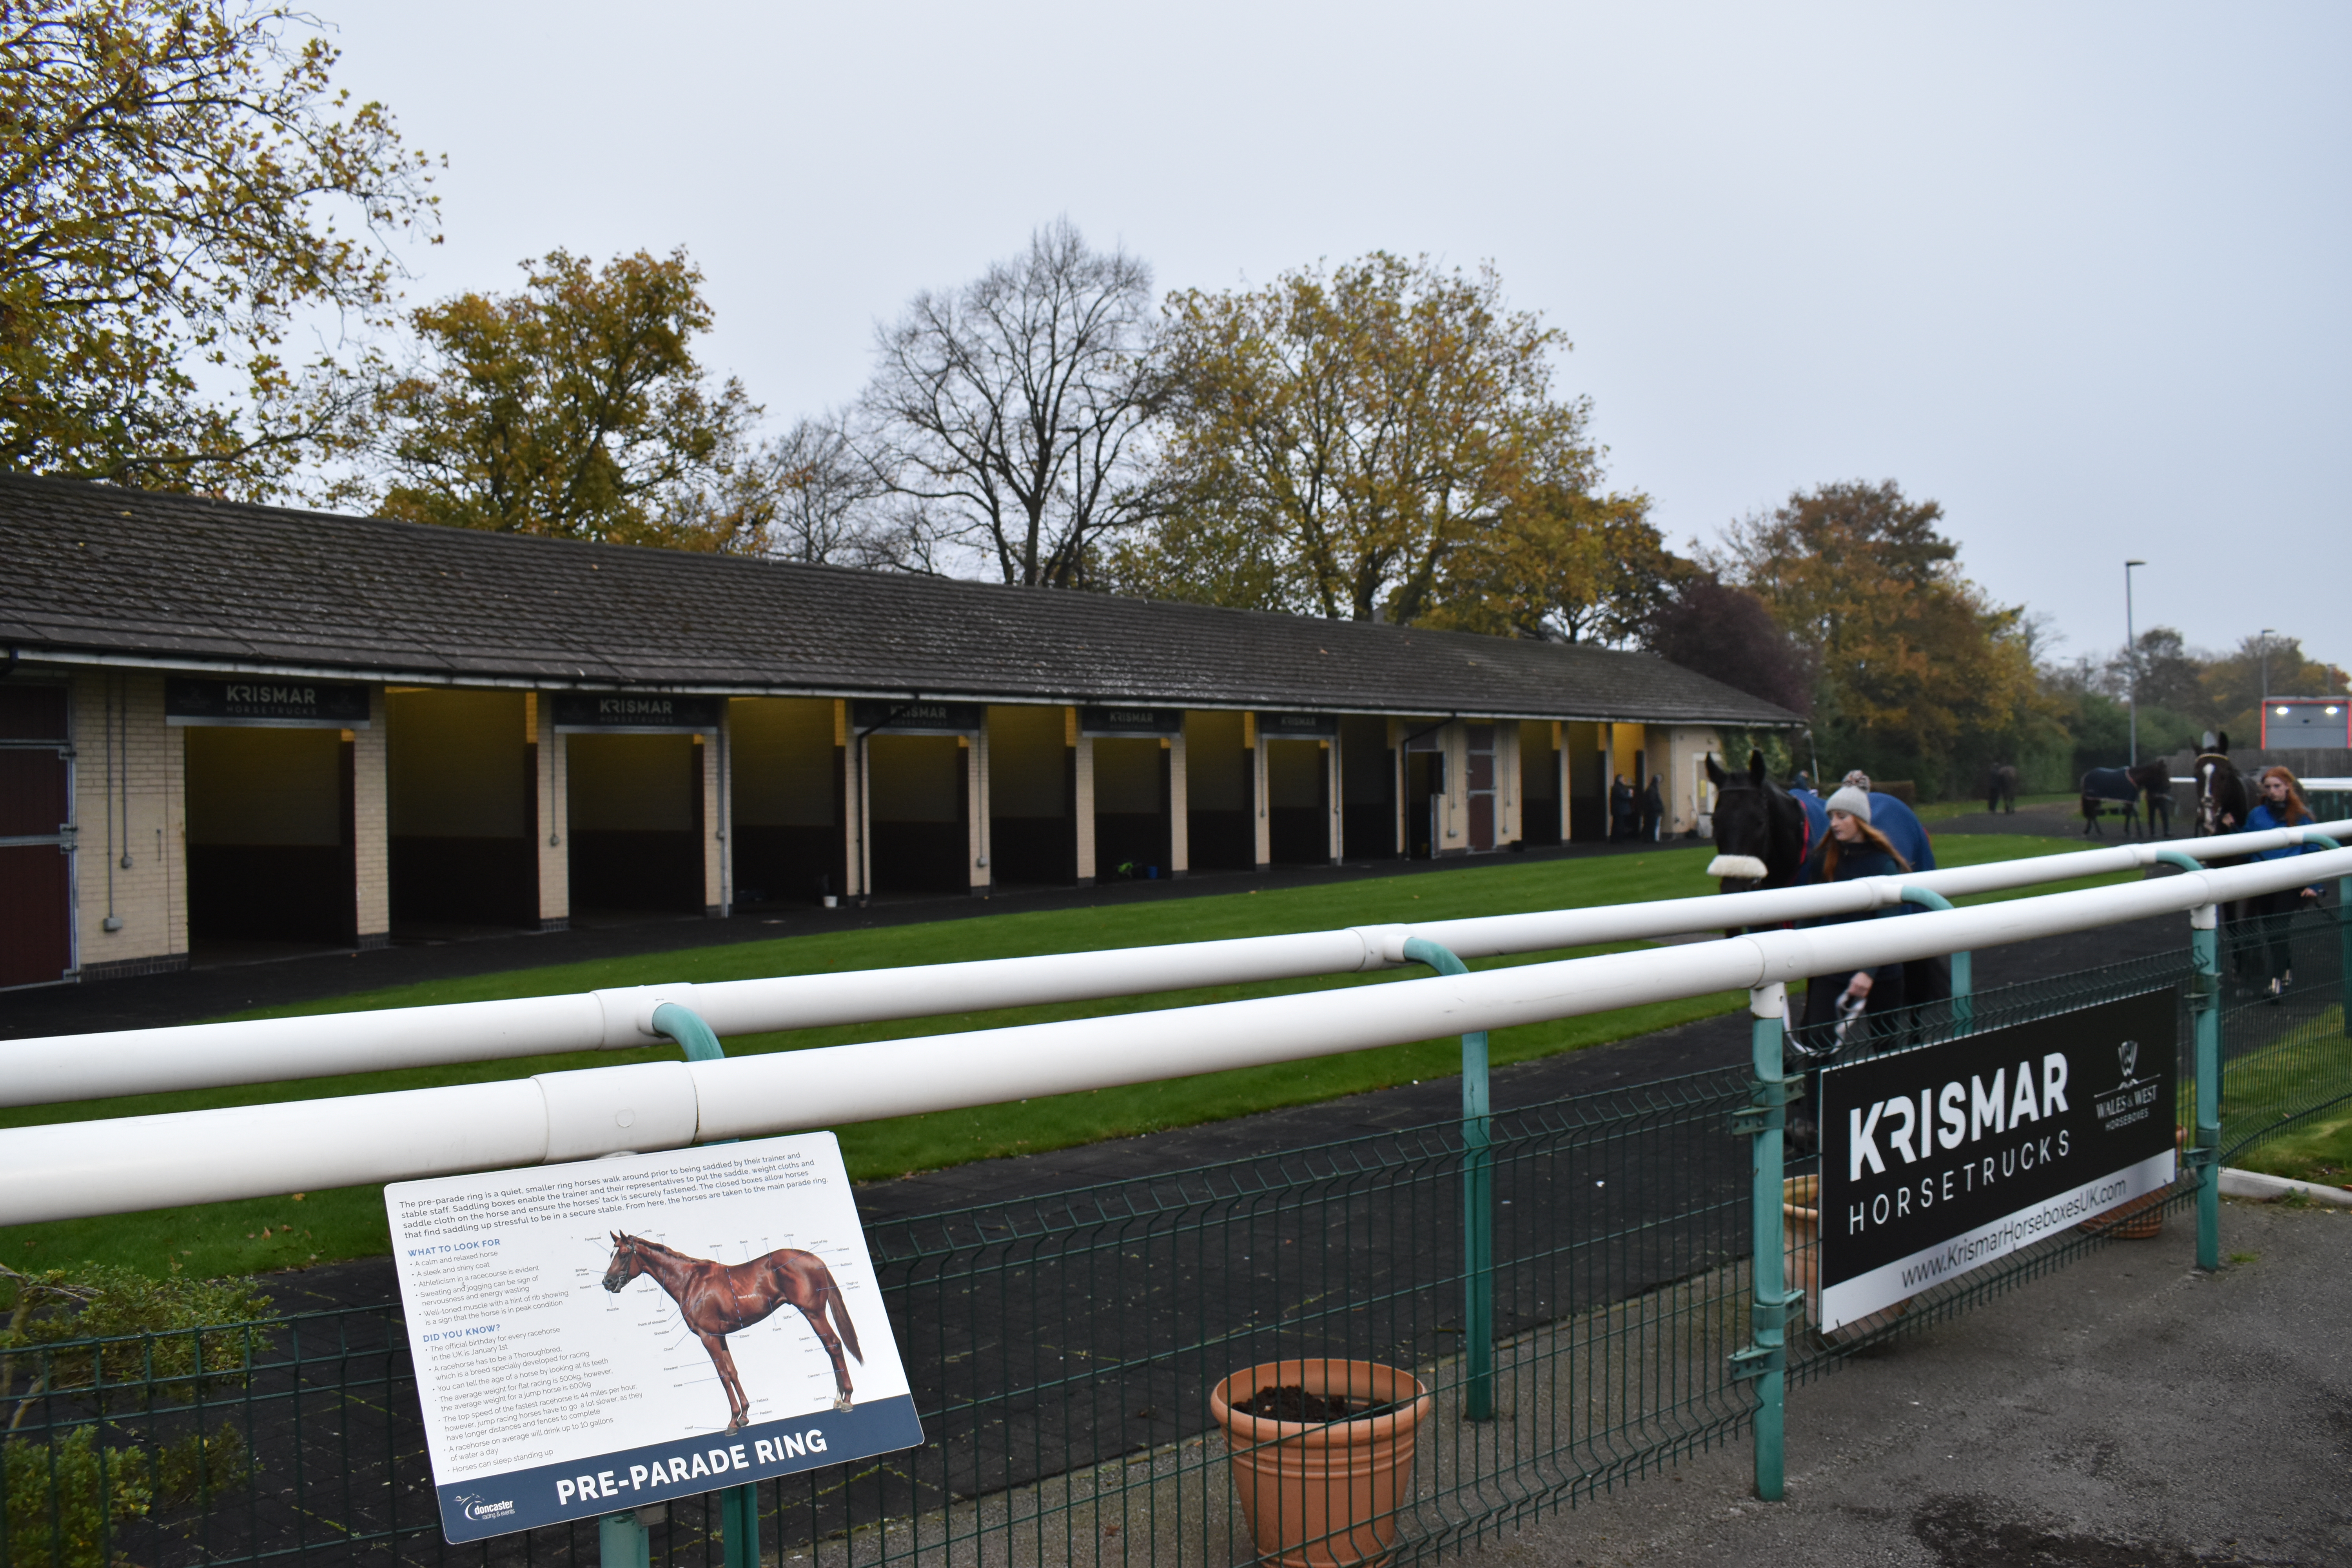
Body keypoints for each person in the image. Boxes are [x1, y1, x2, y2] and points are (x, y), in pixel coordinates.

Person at [2241, 766, 2326, 996]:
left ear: (2288, 786)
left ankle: (2276, 981)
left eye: (2277, 787)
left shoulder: (2302, 816)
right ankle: (2286, 968)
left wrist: (2314, 886)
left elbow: (2312, 850)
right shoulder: (2256, 815)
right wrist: (2230, 828)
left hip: (2291, 882)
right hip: (2264, 882)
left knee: (2277, 929)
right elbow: (2245, 846)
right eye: (2268, 787)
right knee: (2273, 930)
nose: (2273, 792)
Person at [1609, 774, 1635, 842]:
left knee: (1617, 824)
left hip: (1618, 809)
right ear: (1620, 780)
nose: (1624, 781)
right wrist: (1629, 794)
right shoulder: (1618, 788)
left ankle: (1616, 838)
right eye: (1623, 779)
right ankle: (1618, 839)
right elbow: (1623, 796)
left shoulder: (1616, 787)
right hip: (1620, 810)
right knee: (1619, 825)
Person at [1641, 775, 1664, 842]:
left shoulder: (1651, 789)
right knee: (1653, 825)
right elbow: (1653, 801)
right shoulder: (1653, 790)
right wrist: (1658, 808)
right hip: (1653, 811)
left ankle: (1650, 838)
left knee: (1650, 824)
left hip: (1650, 811)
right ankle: (1652, 839)